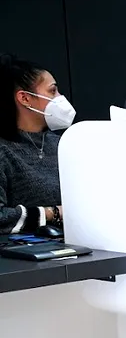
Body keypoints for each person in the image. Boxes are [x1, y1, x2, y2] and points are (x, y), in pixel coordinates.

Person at [0, 54, 74, 234]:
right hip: (30, 248)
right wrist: (52, 213)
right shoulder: (4, 151)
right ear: (25, 98)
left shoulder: (62, 144)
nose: (60, 98)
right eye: (52, 91)